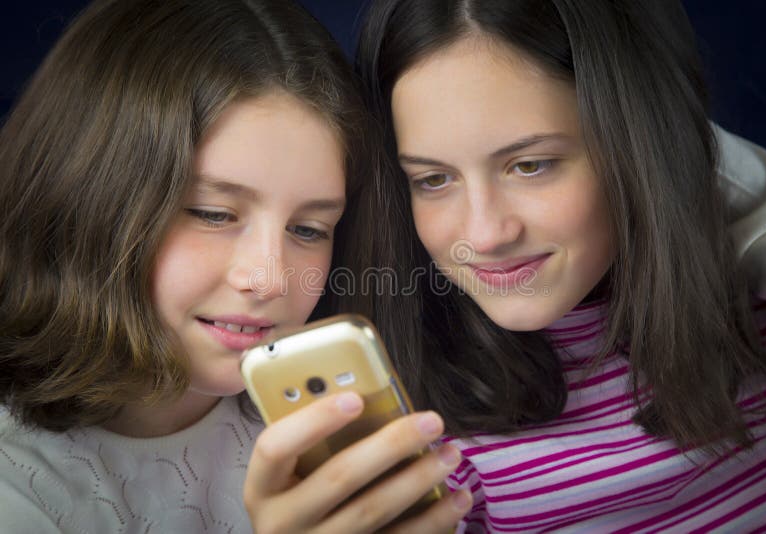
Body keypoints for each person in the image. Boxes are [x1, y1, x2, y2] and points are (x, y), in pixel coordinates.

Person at [0, 0, 469, 532]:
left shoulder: (335, 420)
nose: (269, 278)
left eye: (308, 230)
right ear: (87, 197)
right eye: (213, 214)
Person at [354, 0, 766, 531]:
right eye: (433, 179)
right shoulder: (418, 436)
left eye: (530, 165)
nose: (483, 234)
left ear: (639, 147)